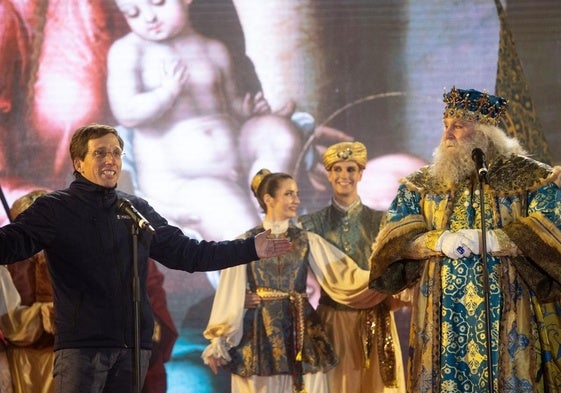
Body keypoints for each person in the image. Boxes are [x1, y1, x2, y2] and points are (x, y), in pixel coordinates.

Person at [0, 123, 292, 393]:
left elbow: (188, 253)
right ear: (78, 163)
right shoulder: (55, 208)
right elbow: (11, 245)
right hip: (82, 349)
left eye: (116, 152)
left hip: (132, 348)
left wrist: (250, 248)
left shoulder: (134, 209)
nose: (110, 160)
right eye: (100, 153)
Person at [369, 87, 561, 392]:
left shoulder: (532, 178)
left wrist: (495, 240)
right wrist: (437, 241)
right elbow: (394, 235)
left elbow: (553, 226)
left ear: (485, 134)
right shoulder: (421, 184)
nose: (448, 134)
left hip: (512, 313)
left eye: (458, 126)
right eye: (445, 125)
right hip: (440, 317)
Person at [107, 0, 302, 242]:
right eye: (133, 13)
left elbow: (227, 106)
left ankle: (266, 203)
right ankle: (264, 251)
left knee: (276, 131)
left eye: (158, 3)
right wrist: (166, 93)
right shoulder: (129, 52)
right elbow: (126, 112)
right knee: (228, 210)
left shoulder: (213, 49)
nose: (149, 18)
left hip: (234, 163)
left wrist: (246, 110)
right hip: (181, 181)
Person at [202, 168, 387, 393]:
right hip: (260, 333)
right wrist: (220, 337)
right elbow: (230, 291)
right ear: (269, 199)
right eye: (289, 194)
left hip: (302, 330)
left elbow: (344, 275)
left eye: (297, 193)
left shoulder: (306, 240)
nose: (297, 200)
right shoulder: (246, 242)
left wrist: (389, 273)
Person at [298, 141, 407, 393]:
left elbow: (399, 275)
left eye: (350, 169)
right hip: (331, 324)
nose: (344, 175)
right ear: (328, 174)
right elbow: (292, 277)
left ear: (360, 174)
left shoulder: (382, 221)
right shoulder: (310, 224)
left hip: (377, 323)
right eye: (337, 169)